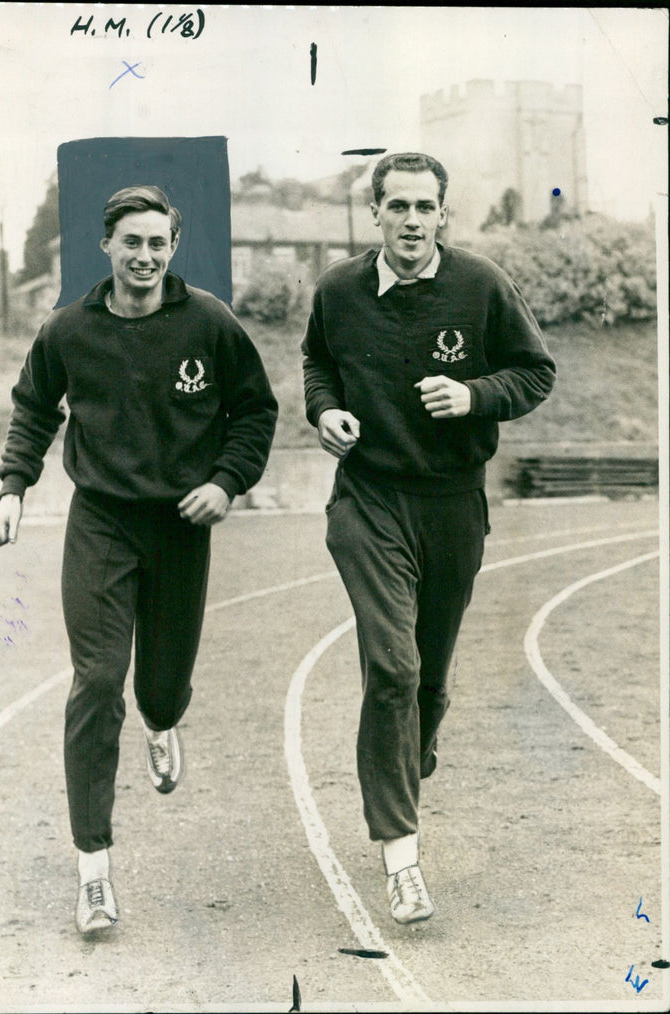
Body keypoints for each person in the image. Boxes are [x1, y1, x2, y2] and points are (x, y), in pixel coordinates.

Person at [0, 184, 277, 934]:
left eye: (158, 243)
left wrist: (225, 482)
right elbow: (34, 407)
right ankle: (93, 870)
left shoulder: (210, 322)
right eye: (131, 243)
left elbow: (254, 410)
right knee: (97, 679)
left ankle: (163, 719)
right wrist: (14, 487)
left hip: (183, 524)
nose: (144, 256)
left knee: (162, 683)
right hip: (103, 523)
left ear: (172, 249)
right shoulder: (67, 330)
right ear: (106, 247)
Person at [301, 153, 556, 926]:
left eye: (425, 206)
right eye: (397, 206)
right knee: (393, 667)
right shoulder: (339, 291)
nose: (412, 220)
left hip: (451, 505)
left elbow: (534, 373)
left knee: (429, 680)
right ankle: (401, 857)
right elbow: (317, 361)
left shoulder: (479, 285)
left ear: (443, 215)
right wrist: (325, 412)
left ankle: (407, 760)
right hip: (370, 501)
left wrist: (473, 394)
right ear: (374, 214)